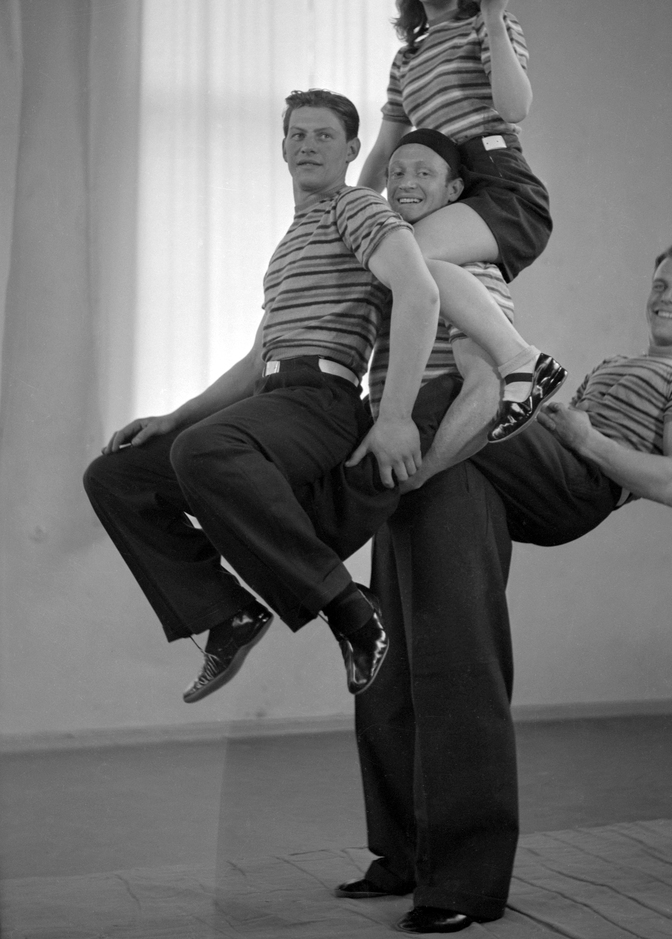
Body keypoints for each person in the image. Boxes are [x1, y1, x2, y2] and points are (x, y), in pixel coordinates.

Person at [325, 219, 672, 934]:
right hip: (517, 462)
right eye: (660, 283)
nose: (666, 297)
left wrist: (584, 435)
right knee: (390, 656)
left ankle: (464, 880)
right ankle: (403, 857)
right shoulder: (617, 363)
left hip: (573, 481)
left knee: (447, 395)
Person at [83, 89, 442, 703]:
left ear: (353, 150)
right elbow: (256, 365)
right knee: (116, 476)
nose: (308, 144)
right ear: (282, 148)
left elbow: (420, 292)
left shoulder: (355, 206)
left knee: (204, 449)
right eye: (298, 134)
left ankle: (350, 610)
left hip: (324, 402)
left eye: (324, 135)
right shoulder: (289, 245)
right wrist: (173, 417)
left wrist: (395, 417)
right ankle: (229, 614)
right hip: (275, 399)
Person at [359, 0, 566, 442]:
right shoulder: (407, 59)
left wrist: (493, 19)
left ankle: (523, 361)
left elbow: (514, 108)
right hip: (448, 192)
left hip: (497, 179)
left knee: (411, 258)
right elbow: (385, 149)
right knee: (428, 282)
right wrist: (351, 210)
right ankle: (507, 376)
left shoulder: (485, 25)